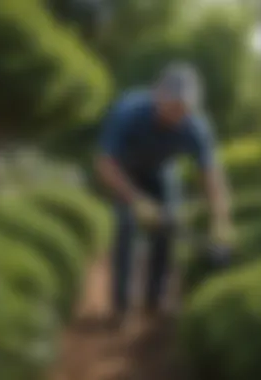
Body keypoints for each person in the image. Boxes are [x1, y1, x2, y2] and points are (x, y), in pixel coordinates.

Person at [95, 61, 233, 328]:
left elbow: (211, 175)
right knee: (127, 227)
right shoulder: (129, 110)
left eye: (184, 109)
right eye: (173, 107)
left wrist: (221, 220)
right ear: (158, 94)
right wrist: (136, 201)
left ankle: (154, 301)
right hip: (126, 173)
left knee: (167, 227)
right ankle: (121, 308)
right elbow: (104, 164)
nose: (178, 116)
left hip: (161, 173)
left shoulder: (196, 127)